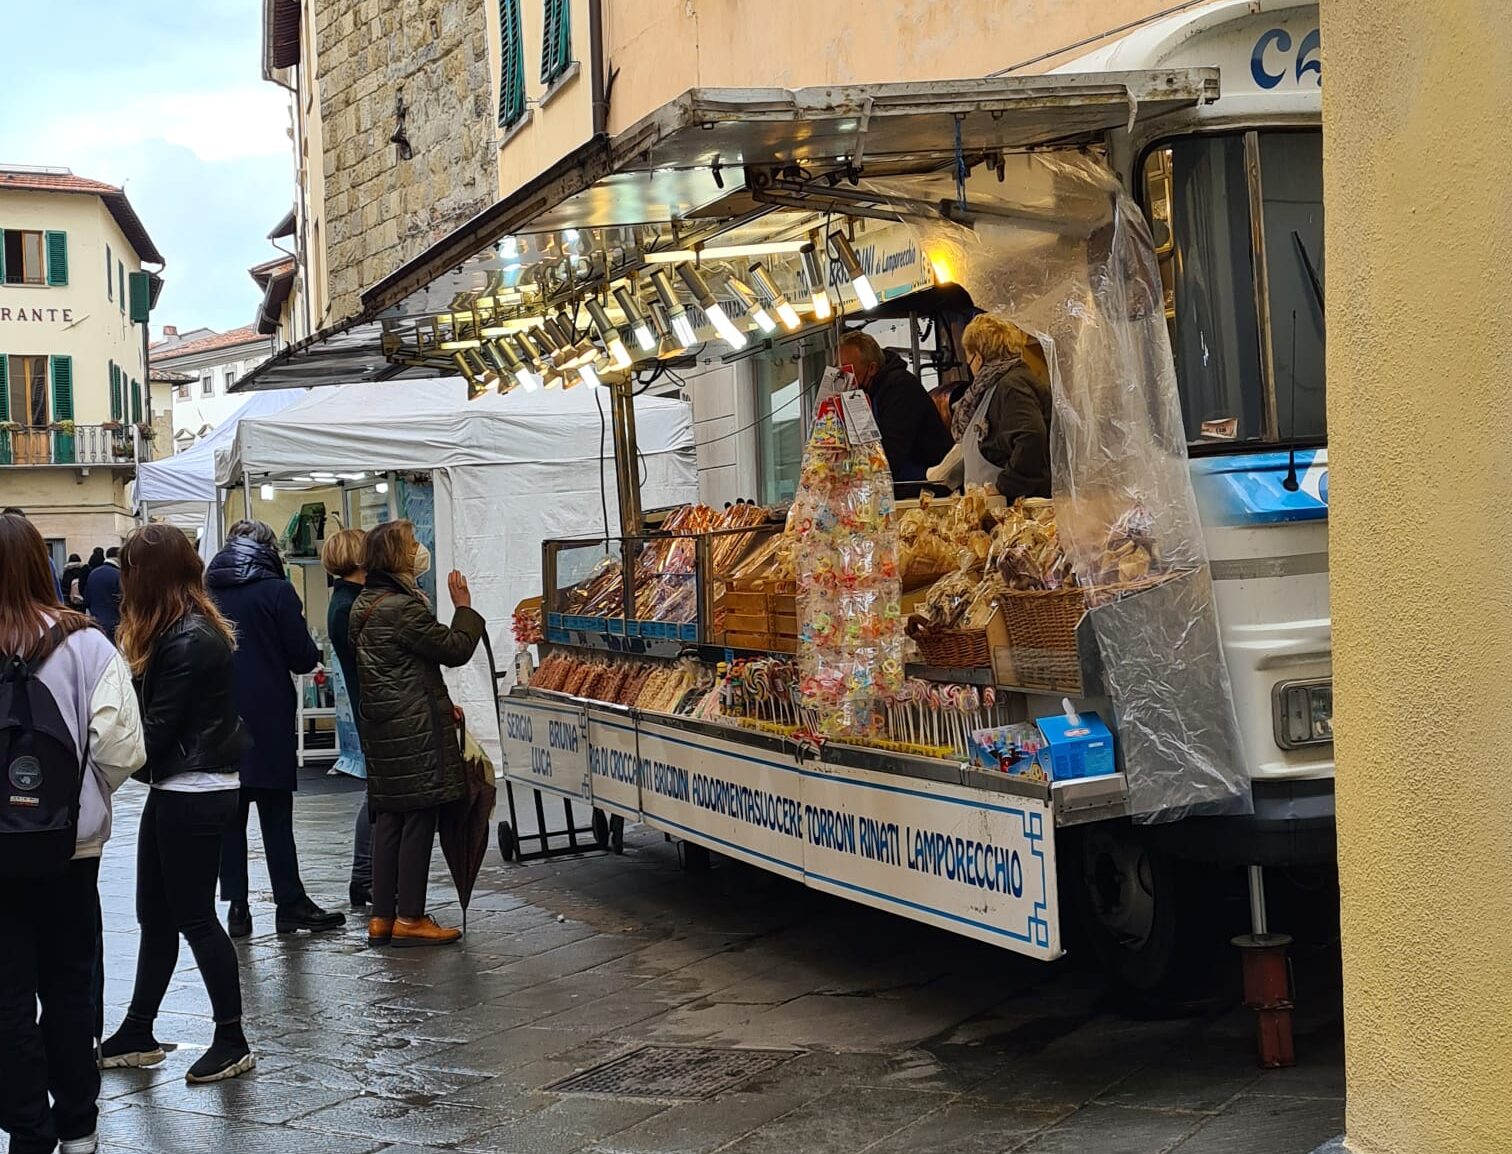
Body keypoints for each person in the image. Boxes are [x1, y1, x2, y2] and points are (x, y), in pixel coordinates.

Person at [0, 515, 144, 1154]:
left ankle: (27, 1129)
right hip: (71, 849)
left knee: (6, 999)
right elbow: (123, 748)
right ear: (44, 565)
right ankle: (78, 1127)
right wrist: (81, 792)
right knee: (68, 987)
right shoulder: (87, 645)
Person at [99, 524, 254, 1084]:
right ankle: (139, 1029)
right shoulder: (178, 630)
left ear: (150, 576)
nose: (124, 584)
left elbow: (155, 733)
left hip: (195, 788)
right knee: (156, 916)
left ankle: (231, 1038)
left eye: (130, 572)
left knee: (192, 916)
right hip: (179, 788)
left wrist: (102, 756)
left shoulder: (187, 638)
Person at [350, 521, 484, 948]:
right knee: (419, 817)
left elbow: (398, 668)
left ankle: (382, 918)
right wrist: (464, 608)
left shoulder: (364, 604)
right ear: (396, 557)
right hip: (413, 726)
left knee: (391, 817)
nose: (418, 552)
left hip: (384, 722)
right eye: (411, 546)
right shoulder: (401, 608)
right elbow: (453, 649)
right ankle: (409, 915)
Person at [206, 521, 343, 938]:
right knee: (276, 815)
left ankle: (238, 907)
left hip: (221, 712)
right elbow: (302, 657)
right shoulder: (276, 590)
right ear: (267, 550)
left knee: (230, 816)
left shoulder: (209, 590)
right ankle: (289, 901)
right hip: (268, 713)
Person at [942, 314, 1053, 500]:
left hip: (1016, 510)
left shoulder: (1012, 386)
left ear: (978, 357)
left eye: (968, 359)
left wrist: (1005, 486)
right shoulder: (992, 387)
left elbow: (1031, 436)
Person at [321, 528, 373, 909]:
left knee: (377, 795)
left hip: (365, 703)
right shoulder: (350, 604)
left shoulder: (346, 600)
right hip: (371, 704)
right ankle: (364, 875)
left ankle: (367, 875)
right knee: (378, 796)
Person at [836, 332, 953, 487]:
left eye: (849, 372)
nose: (844, 381)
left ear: (871, 368)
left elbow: (890, 455)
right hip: (898, 485)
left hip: (925, 487)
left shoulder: (900, 388)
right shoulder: (870, 390)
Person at [83, 547, 123, 644]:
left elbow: (87, 599)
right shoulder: (119, 575)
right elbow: (123, 599)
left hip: (95, 622)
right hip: (114, 623)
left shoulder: (93, 573)